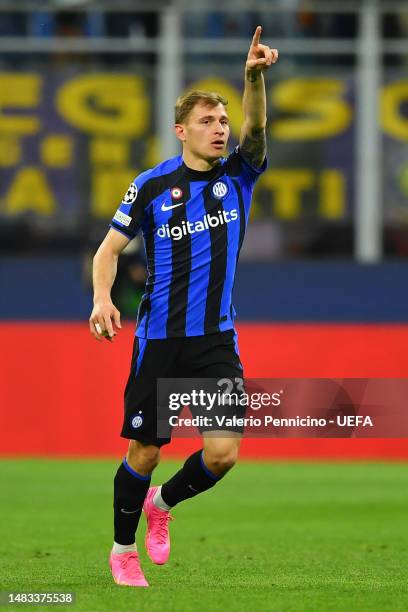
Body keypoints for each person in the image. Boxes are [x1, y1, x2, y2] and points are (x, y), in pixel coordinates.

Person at [89, 26, 278, 588]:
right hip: (161, 340)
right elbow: (108, 250)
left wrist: (253, 79)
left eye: (223, 121)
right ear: (181, 131)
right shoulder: (151, 187)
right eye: (208, 122)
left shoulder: (239, 177)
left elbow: (258, 126)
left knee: (222, 454)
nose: (220, 130)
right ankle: (123, 552)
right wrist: (102, 297)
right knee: (144, 450)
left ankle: (162, 505)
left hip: (216, 339)